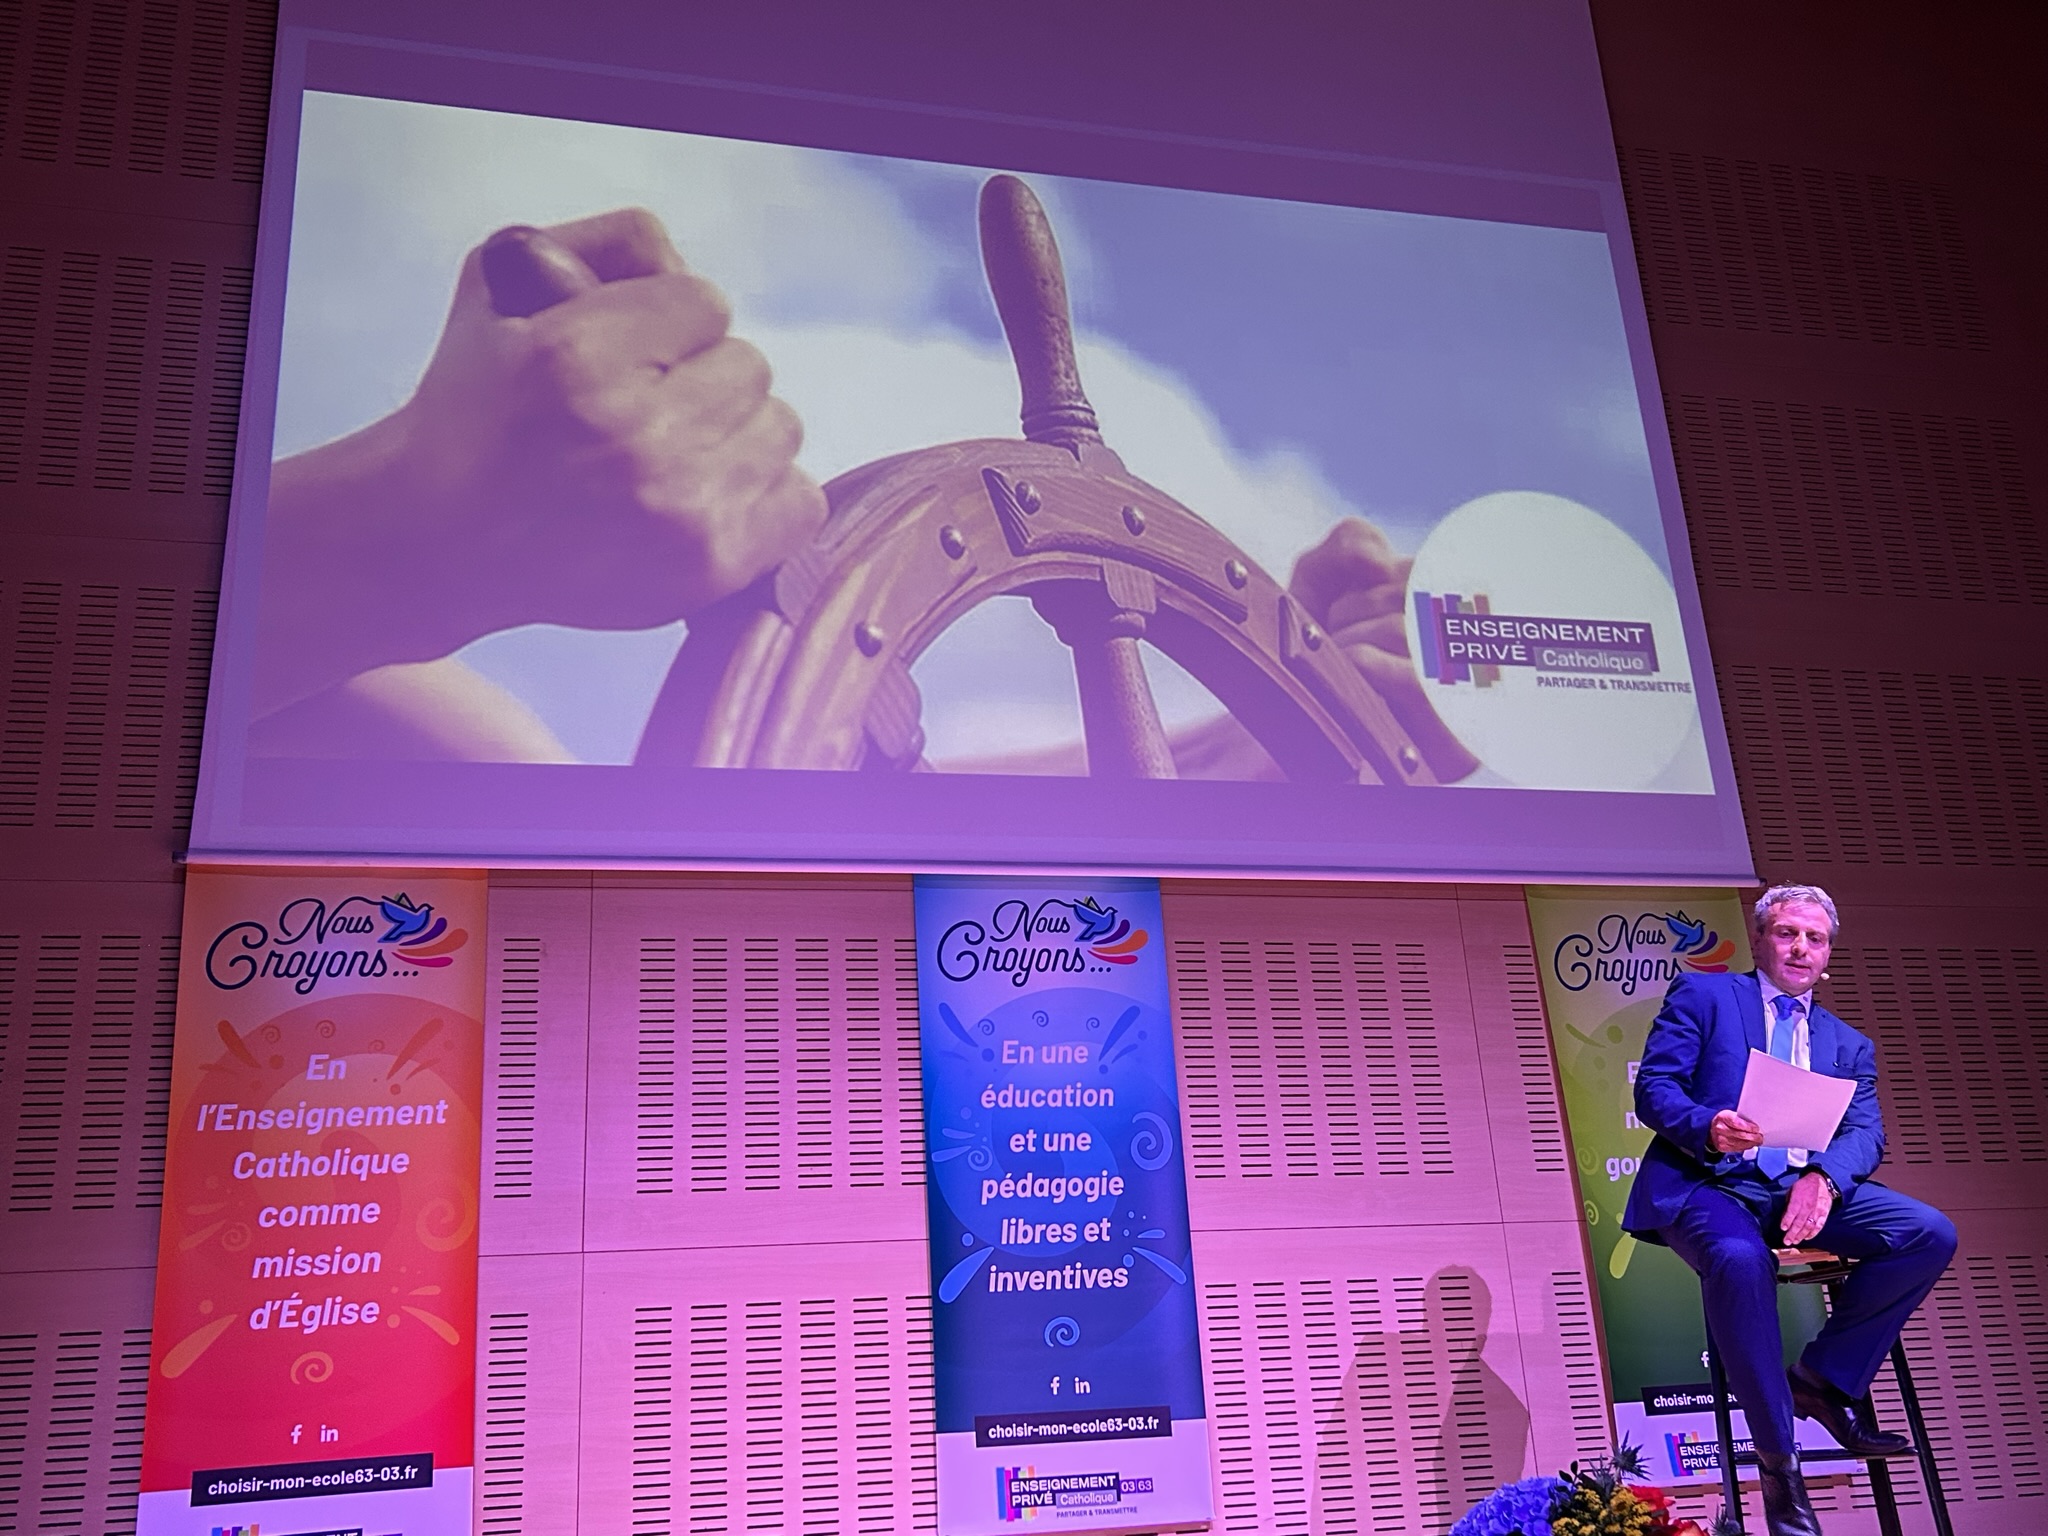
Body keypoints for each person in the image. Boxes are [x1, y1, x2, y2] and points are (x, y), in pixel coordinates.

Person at [250, 206, 1472, 776]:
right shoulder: (443, 744)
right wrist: (411, 521)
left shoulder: (462, 747)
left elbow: (776, 785)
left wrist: (1243, 735)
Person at [1623, 885, 1956, 1536]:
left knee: (1927, 1233)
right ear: (1759, 940)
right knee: (1738, 1259)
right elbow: (1655, 1087)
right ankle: (1780, 1465)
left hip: (1797, 1190)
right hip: (1709, 1182)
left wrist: (1825, 1180)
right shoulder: (1706, 996)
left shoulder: (1847, 1043)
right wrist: (1707, 1125)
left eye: (1816, 938)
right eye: (1787, 933)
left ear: (1828, 953)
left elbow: (1866, 1134)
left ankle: (1821, 1380)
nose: (1801, 947)